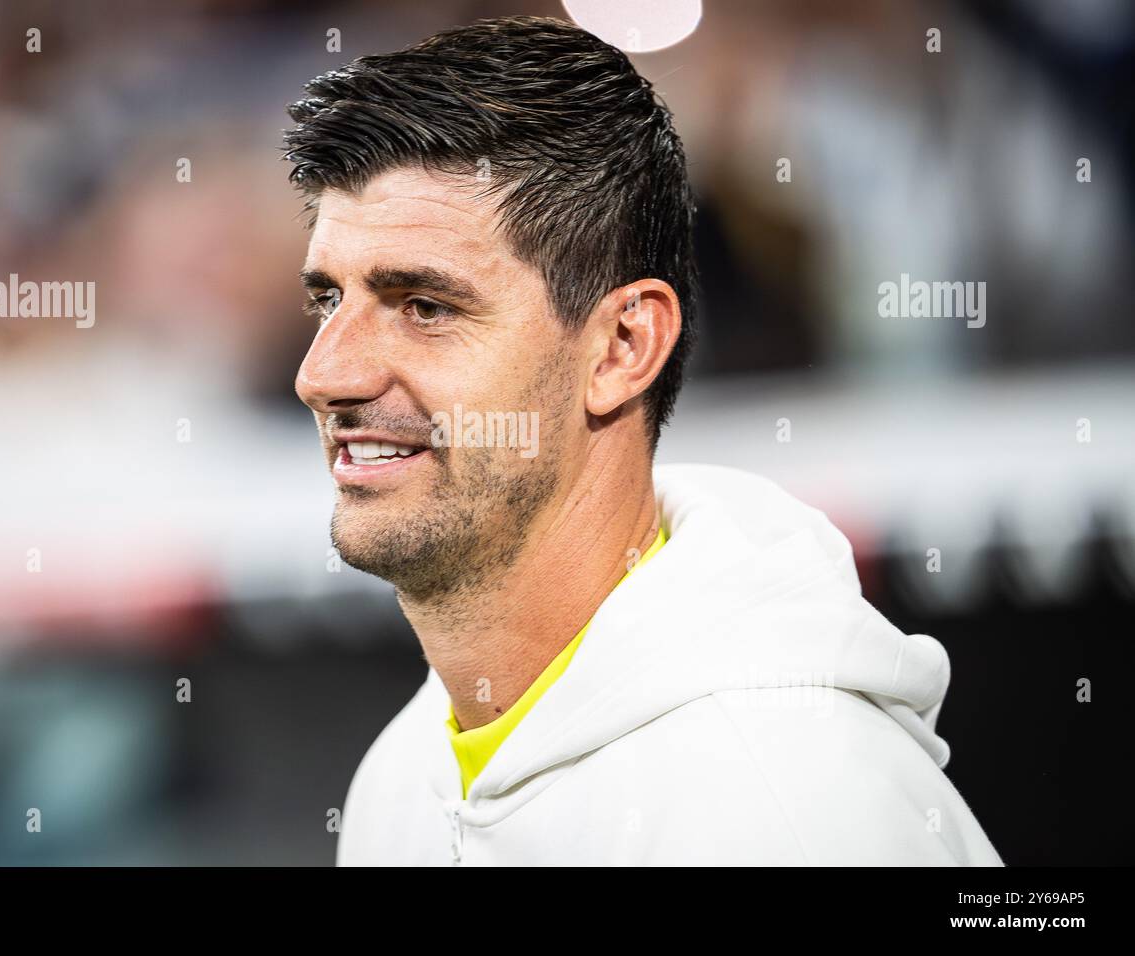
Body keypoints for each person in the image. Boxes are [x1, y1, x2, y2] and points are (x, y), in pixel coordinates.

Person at [286, 16, 1002, 866]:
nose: (323, 375)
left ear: (623, 347)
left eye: (426, 306)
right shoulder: (401, 778)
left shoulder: (791, 809)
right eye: (328, 300)